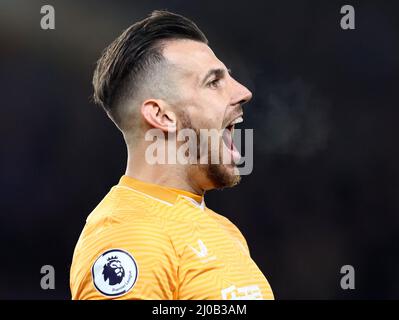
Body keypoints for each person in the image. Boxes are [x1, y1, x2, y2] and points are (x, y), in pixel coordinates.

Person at [70, 10, 273, 300]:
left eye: (230, 77)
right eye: (214, 82)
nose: (243, 92)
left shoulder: (225, 231)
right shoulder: (127, 237)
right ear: (162, 115)